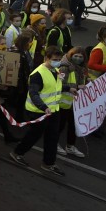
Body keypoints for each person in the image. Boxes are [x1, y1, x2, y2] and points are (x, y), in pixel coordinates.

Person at [11, 45, 69, 175]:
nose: (57, 61)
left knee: (53, 137)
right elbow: (34, 93)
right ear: (46, 58)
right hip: (39, 111)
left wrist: (69, 88)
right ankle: (18, 152)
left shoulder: (55, 70)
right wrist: (44, 107)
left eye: (59, 59)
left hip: (53, 110)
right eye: (55, 59)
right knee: (34, 134)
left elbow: (53, 87)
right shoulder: (38, 74)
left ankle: (48, 163)